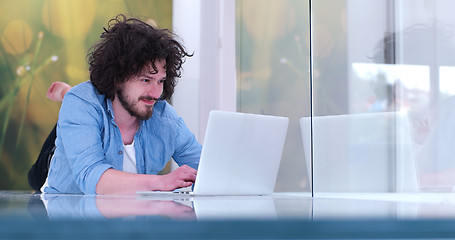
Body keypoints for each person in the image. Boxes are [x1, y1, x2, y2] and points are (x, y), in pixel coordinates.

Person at [37, 14, 201, 195]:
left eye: (160, 81)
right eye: (146, 80)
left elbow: (206, 169)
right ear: (117, 78)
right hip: (68, 209)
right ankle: (66, 94)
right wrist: (161, 182)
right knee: (36, 173)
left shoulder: (166, 118)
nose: (156, 93)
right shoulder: (81, 103)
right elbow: (92, 178)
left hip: (125, 218)